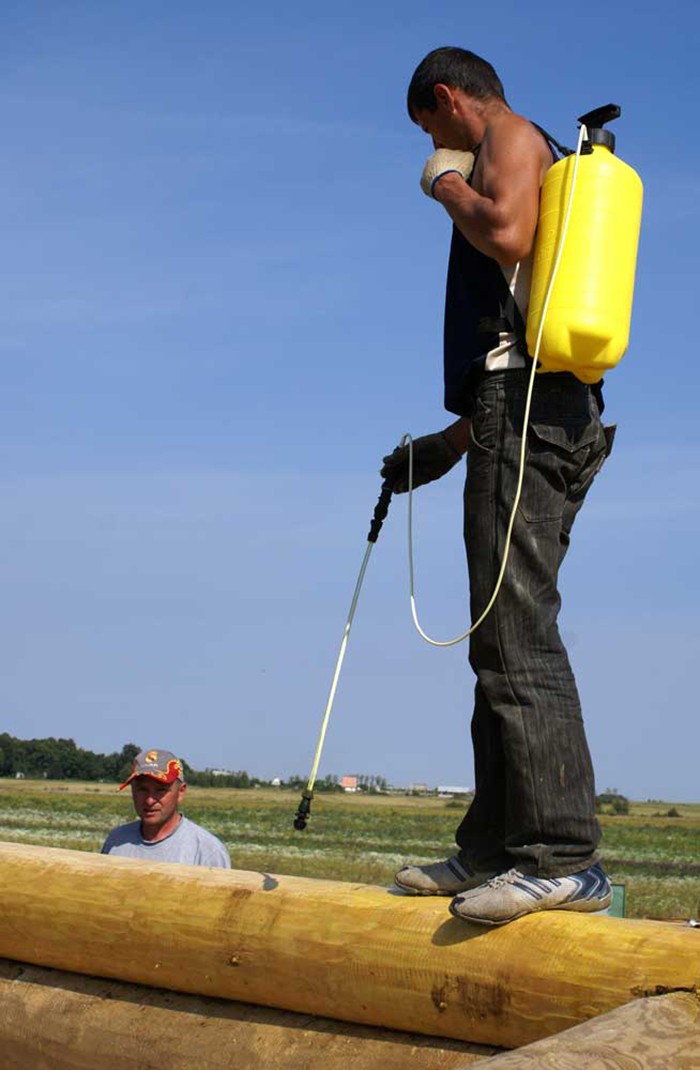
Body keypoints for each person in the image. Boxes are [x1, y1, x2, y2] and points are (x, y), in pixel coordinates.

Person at [381, 47, 614, 925]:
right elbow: (519, 340)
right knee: (497, 639)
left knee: (516, 634)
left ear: (447, 101)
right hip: (524, 409)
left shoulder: (510, 137)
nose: (437, 147)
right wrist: (447, 446)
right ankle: (494, 849)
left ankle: (561, 858)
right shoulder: (524, 145)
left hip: (529, 415)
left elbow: (509, 235)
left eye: (433, 129)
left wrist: (443, 180)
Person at [101, 747, 231, 868]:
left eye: (160, 790)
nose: (150, 800)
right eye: (142, 789)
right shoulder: (116, 841)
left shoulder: (207, 852)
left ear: (180, 792)